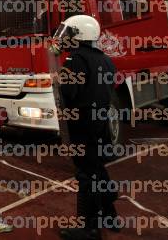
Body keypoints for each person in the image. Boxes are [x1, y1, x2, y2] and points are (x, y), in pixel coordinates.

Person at [52, 15, 119, 240]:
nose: (64, 39)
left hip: (83, 125)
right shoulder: (105, 60)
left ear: (79, 35)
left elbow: (68, 92)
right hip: (101, 123)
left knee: (86, 175)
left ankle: (89, 229)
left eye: (68, 34)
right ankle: (110, 216)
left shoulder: (75, 60)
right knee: (98, 169)